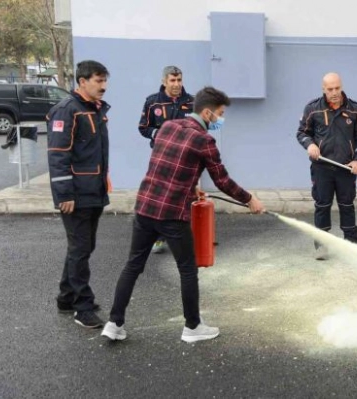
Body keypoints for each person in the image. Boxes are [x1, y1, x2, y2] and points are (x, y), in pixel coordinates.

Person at [101, 86, 265, 343]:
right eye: (220, 114)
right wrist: (250, 199)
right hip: (172, 215)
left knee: (133, 265)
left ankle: (114, 323)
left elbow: (168, 164)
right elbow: (222, 181)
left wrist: (192, 188)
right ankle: (192, 327)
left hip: (145, 206)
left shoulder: (168, 126)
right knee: (187, 269)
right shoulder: (205, 141)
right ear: (208, 113)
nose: (221, 119)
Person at [47, 60, 111, 329]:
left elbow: (92, 152)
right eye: (98, 81)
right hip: (75, 193)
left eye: (105, 81)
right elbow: (58, 156)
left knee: (82, 247)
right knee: (80, 248)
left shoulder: (94, 109)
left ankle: (66, 298)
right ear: (82, 81)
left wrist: (103, 178)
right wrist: (64, 195)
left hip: (93, 190)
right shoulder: (67, 111)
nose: (103, 86)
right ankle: (82, 307)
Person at [296, 72, 357, 260]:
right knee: (322, 205)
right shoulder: (312, 109)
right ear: (323, 89)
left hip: (346, 169)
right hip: (322, 168)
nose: (334, 92)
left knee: (347, 205)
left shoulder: (355, 109)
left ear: (341, 86)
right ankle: (321, 246)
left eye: (337, 88)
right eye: (330, 89)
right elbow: (302, 132)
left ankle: (352, 245)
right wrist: (310, 145)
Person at [138, 65, 194, 254]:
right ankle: (159, 238)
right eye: (172, 80)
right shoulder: (152, 102)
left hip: (186, 160)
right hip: (161, 160)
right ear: (164, 81)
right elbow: (143, 127)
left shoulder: (192, 102)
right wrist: (158, 133)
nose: (177, 84)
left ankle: (186, 237)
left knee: (186, 198)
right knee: (161, 199)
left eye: (179, 80)